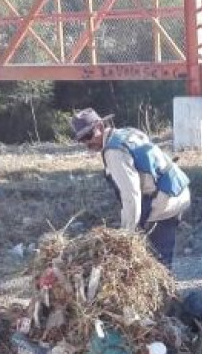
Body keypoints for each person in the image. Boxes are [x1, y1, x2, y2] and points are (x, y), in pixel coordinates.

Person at [71, 108, 191, 267]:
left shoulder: (114, 151)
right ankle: (167, 289)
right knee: (158, 256)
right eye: (82, 140)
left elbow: (131, 195)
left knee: (156, 262)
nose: (87, 143)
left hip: (163, 200)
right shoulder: (127, 133)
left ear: (100, 127)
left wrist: (126, 235)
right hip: (176, 191)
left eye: (88, 136)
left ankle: (166, 291)